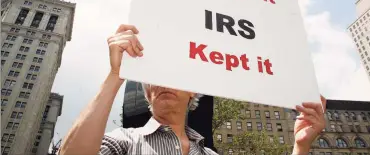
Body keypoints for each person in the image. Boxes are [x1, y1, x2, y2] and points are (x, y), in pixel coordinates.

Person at [60, 24, 326, 155]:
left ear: (193, 92)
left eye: (175, 75)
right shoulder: (123, 142)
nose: (163, 82)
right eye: (153, 76)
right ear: (147, 93)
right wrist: (116, 75)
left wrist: (300, 148)